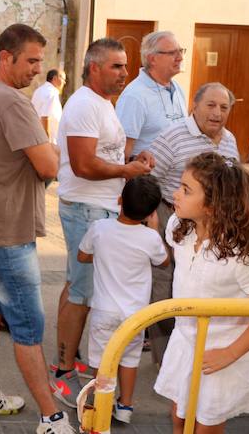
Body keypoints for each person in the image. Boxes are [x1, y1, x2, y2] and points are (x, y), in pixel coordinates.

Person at [0, 24, 74, 434]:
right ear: (5, 57)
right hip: (6, 235)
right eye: (31, 60)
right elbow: (47, 165)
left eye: (41, 61)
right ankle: (51, 417)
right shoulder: (11, 102)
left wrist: (48, 150)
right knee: (28, 326)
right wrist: (55, 150)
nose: (37, 69)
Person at [53, 37, 153, 407]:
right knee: (82, 291)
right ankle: (62, 371)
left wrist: (133, 160)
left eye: (126, 66)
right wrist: (126, 169)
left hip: (97, 207)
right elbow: (83, 164)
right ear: (94, 67)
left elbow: (104, 154)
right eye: (117, 66)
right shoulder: (83, 105)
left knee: (79, 287)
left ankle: (67, 359)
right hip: (86, 208)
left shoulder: (101, 104)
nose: (125, 73)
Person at [154, 152, 249, 432]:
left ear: (214, 205)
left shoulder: (241, 256)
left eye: (186, 190)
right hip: (188, 341)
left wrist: (230, 353)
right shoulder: (179, 228)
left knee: (206, 424)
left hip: (222, 351)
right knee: (179, 417)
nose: (176, 194)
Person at [146, 82, 239, 362]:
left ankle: (198, 353)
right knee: (165, 286)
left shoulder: (230, 139)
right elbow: (149, 178)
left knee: (201, 288)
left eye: (224, 107)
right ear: (194, 107)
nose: (217, 113)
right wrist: (152, 218)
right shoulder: (173, 136)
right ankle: (167, 359)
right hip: (169, 216)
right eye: (210, 105)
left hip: (214, 225)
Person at [77, 175, 169, 424]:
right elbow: (164, 262)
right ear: (151, 213)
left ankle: (99, 407)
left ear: (119, 200)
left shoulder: (99, 228)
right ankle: (126, 406)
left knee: (101, 361)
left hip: (103, 312)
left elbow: (82, 256)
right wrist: (155, 230)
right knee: (129, 359)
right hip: (135, 316)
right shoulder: (150, 238)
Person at [115, 31, 188, 158]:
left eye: (181, 51)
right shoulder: (134, 96)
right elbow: (122, 152)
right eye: (172, 53)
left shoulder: (178, 89)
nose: (180, 58)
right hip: (147, 176)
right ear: (152, 59)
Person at [31, 68, 66, 144]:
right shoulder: (51, 93)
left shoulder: (38, 91)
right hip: (48, 142)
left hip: (36, 138)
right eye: (63, 79)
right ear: (55, 78)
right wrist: (47, 143)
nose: (64, 82)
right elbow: (45, 118)